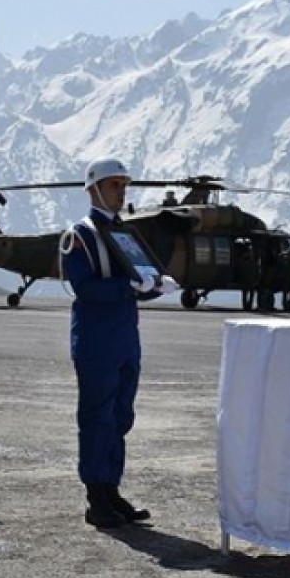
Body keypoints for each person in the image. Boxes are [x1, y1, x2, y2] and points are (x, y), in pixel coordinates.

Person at [59, 157, 177, 528]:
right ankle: (96, 497)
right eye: (113, 185)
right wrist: (127, 286)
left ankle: (111, 488)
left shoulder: (125, 234)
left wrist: (155, 286)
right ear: (93, 189)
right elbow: (84, 287)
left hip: (126, 335)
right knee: (97, 416)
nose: (120, 191)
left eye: (123, 185)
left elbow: (136, 286)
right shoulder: (79, 235)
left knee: (120, 416)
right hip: (96, 337)